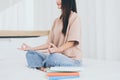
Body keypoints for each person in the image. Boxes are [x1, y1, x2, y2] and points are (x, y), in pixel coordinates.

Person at [18, 0, 82, 71]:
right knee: (30, 54)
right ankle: (43, 67)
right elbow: (48, 44)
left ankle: (41, 64)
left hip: (71, 60)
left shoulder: (75, 17)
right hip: (54, 55)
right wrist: (31, 48)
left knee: (53, 57)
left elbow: (72, 42)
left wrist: (57, 50)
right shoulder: (56, 21)